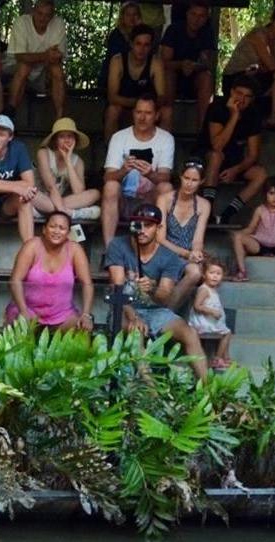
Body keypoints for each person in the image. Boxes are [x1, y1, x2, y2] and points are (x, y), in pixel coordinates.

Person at [107, 203, 209, 380]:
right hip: (124, 308)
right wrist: (133, 316)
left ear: (158, 228)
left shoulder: (168, 255)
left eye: (148, 225)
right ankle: (150, 391)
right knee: (136, 331)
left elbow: (165, 298)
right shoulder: (118, 245)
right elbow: (118, 288)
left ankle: (209, 394)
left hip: (156, 311)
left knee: (189, 333)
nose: (142, 230)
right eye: (138, 225)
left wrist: (153, 289)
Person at [99, 93, 175, 248]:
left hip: (149, 201)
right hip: (123, 201)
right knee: (111, 186)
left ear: (157, 115)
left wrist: (150, 174)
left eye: (148, 113)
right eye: (139, 112)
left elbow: (166, 177)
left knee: (166, 188)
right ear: (133, 114)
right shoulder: (119, 137)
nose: (142, 117)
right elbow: (108, 177)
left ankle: (158, 246)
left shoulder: (166, 138)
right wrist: (124, 170)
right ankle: (110, 249)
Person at [221, 6, 275, 143]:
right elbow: (271, 65)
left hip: (258, 76)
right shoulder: (259, 34)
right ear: (272, 21)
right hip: (237, 77)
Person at [6, 209, 95, 330]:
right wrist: (23, 311)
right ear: (44, 229)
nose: (57, 231)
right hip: (29, 310)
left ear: (68, 233)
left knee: (82, 329)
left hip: (62, 315)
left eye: (62, 228)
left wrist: (86, 314)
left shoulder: (75, 249)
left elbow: (87, 283)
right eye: (52, 226)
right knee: (19, 329)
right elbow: (15, 280)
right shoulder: (31, 246)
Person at [198, 75, 269, 224]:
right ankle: (208, 211)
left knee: (260, 174)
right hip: (206, 158)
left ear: (252, 99)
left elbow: (253, 154)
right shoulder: (217, 107)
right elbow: (217, 145)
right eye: (239, 94)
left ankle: (227, 215)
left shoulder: (254, 115)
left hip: (233, 161)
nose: (241, 100)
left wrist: (236, 170)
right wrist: (234, 116)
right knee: (216, 156)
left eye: (247, 97)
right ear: (231, 92)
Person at [157, 159, 212, 306]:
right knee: (165, 285)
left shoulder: (204, 205)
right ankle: (165, 315)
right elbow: (160, 238)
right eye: (186, 178)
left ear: (201, 182)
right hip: (165, 251)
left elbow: (198, 239)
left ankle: (167, 313)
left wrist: (196, 252)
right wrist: (187, 254)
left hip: (188, 255)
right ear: (180, 177)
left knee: (195, 272)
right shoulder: (164, 199)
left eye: (194, 180)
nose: (189, 183)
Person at [6, 0, 68, 122]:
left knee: (57, 70)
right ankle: (10, 112)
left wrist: (40, 57)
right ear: (33, 11)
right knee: (25, 67)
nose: (43, 18)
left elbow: (58, 56)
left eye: (47, 15)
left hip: (43, 71)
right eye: (40, 13)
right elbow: (20, 57)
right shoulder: (22, 22)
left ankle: (60, 118)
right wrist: (46, 55)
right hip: (15, 69)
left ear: (52, 16)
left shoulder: (58, 23)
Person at [105, 24, 170, 135]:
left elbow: (161, 96)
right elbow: (112, 97)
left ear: (151, 47)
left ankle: (162, 149)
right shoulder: (118, 61)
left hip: (149, 109)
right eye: (138, 44)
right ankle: (110, 148)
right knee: (112, 110)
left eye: (146, 45)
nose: (142, 49)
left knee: (167, 111)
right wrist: (137, 104)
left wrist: (146, 108)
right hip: (124, 108)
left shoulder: (156, 63)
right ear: (131, 44)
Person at [32, 116, 101, 221]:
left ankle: (49, 213)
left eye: (70, 136)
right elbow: (50, 186)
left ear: (75, 140)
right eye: (62, 136)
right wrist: (63, 212)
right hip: (42, 199)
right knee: (31, 195)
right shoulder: (44, 153)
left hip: (61, 201)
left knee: (95, 194)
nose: (66, 140)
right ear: (55, 140)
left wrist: (68, 160)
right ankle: (73, 213)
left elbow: (79, 192)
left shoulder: (78, 161)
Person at [161, 2, 219, 118]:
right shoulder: (173, 30)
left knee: (206, 77)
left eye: (201, 16)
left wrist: (193, 66)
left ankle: (202, 131)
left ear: (206, 18)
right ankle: (166, 123)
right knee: (168, 75)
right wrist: (182, 64)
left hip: (194, 78)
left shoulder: (207, 33)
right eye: (193, 14)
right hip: (174, 76)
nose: (196, 19)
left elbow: (207, 63)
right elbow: (164, 62)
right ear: (187, 14)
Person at [188, 258, 234, 369]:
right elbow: (197, 306)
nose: (215, 276)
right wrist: (212, 311)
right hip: (202, 323)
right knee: (227, 333)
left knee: (226, 331)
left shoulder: (212, 289)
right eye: (211, 273)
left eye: (218, 274)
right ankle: (217, 359)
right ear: (204, 274)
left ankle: (225, 357)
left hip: (209, 321)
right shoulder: (204, 290)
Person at [101, 2, 143, 87]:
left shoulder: (142, 34)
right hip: (116, 73)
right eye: (128, 15)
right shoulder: (116, 35)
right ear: (123, 17)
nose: (132, 18)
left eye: (135, 14)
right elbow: (117, 56)